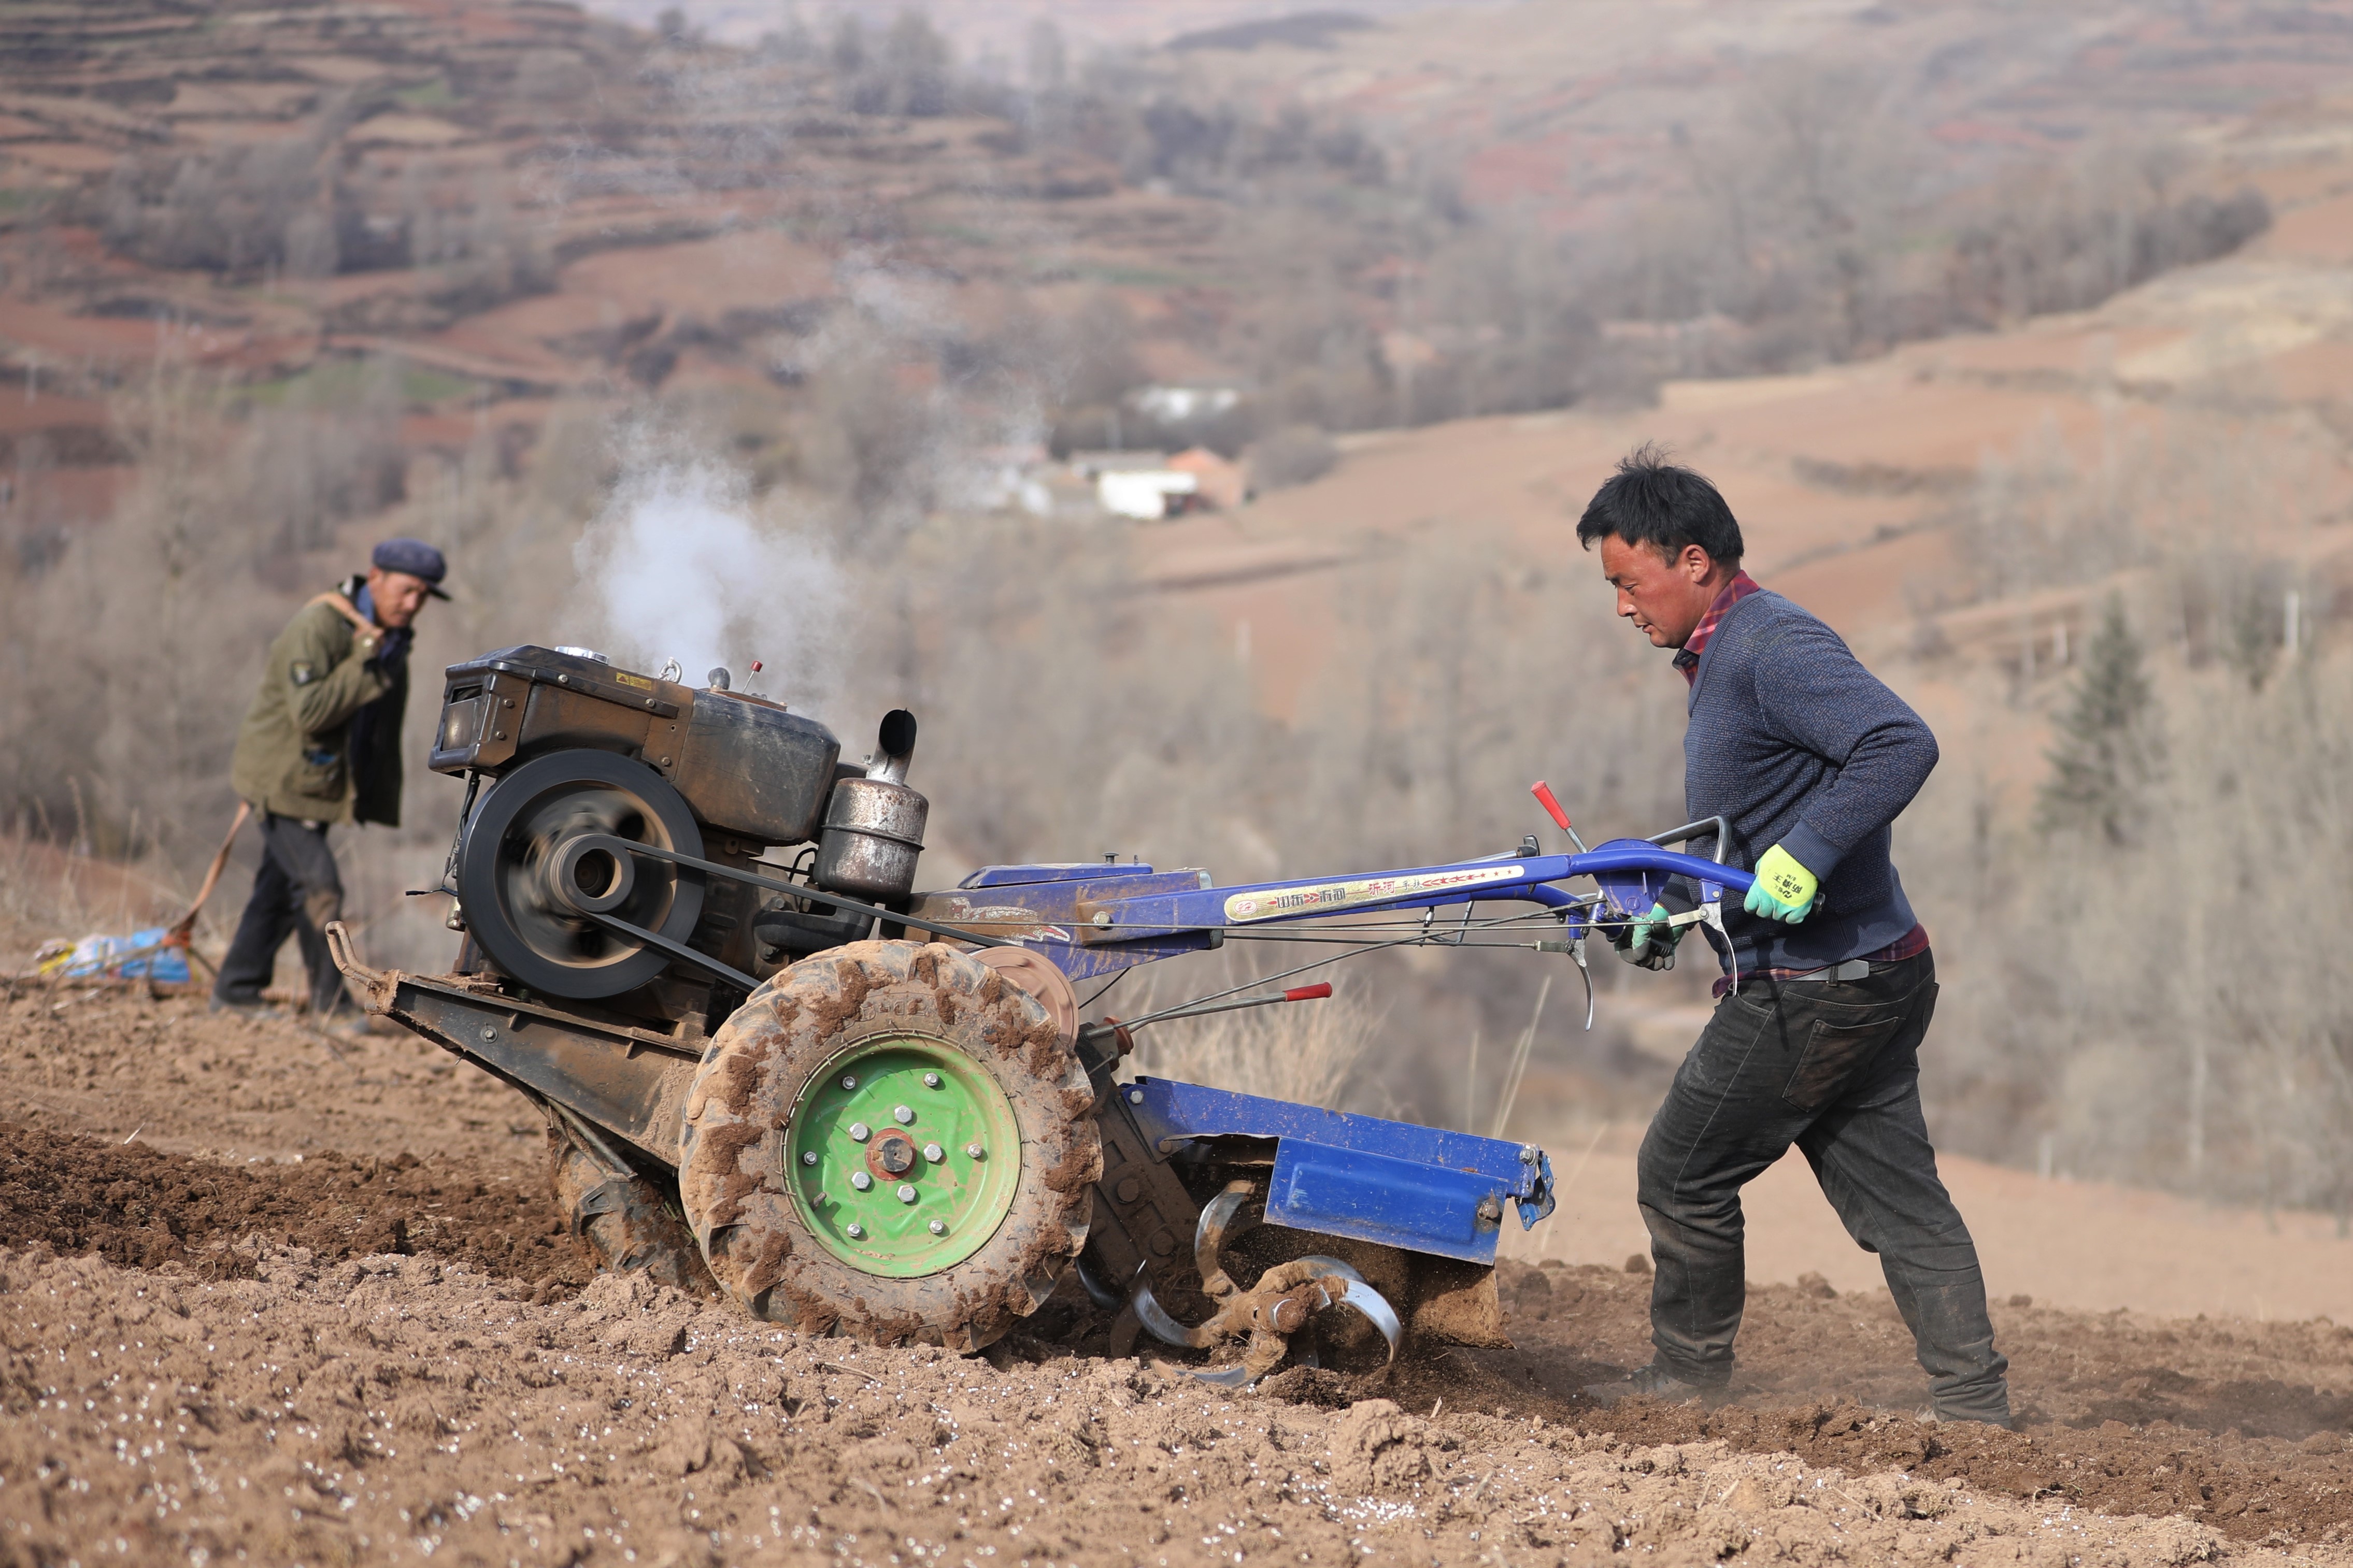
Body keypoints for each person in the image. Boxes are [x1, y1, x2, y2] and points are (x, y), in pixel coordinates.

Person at [1576, 445, 2010, 1428]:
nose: (1620, 606)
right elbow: (1755, 823)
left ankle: (1686, 1383)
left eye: (1626, 582)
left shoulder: (1770, 645)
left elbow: (1900, 741)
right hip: (1872, 970)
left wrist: (1809, 853)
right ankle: (1974, 1403)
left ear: (1693, 561)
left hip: (1816, 984)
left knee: (1680, 1172)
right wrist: (1677, 911)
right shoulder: (1725, 656)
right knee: (1900, 1202)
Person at [211, 539, 448, 1023]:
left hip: (319, 786)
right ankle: (332, 1006)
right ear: (375, 577)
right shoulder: (321, 625)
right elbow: (311, 713)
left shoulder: (389, 637)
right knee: (320, 887)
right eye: (407, 592)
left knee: (278, 890)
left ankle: (236, 990)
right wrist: (366, 658)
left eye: (423, 597)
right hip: (282, 781)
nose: (413, 605)